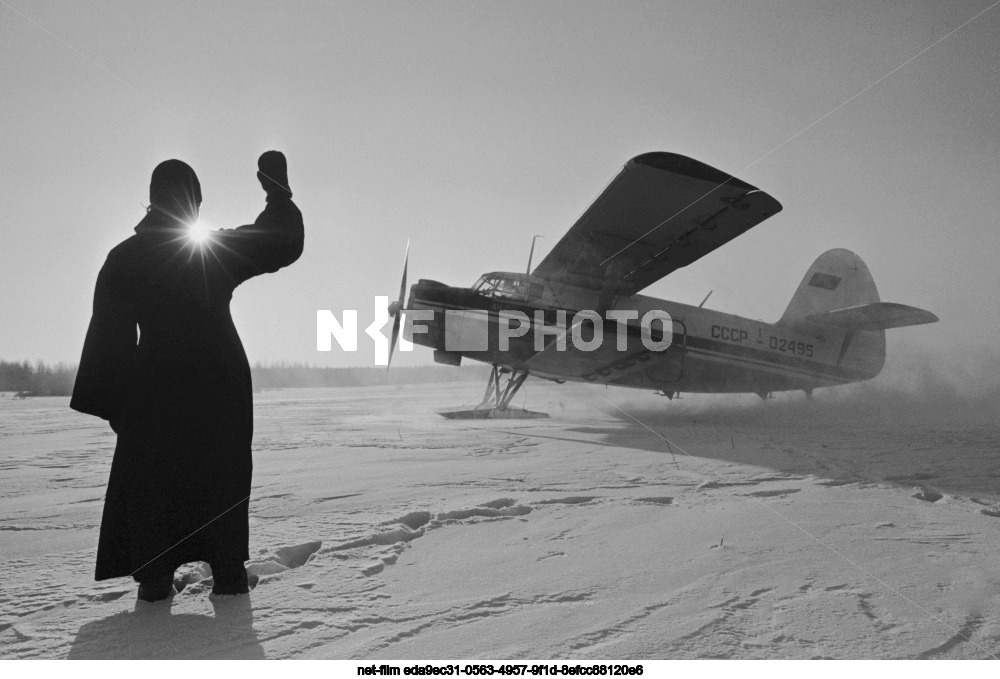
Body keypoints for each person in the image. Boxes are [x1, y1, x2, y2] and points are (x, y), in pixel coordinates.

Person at [71, 152, 304, 601]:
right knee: (222, 477)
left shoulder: (123, 259)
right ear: (194, 204)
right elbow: (280, 241)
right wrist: (278, 192)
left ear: (152, 201)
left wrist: (123, 408)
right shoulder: (209, 248)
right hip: (220, 383)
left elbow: (108, 340)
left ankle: (157, 583)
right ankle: (230, 576)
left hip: (156, 388)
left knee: (156, 484)